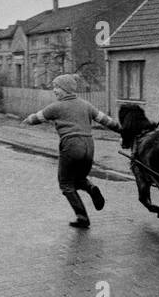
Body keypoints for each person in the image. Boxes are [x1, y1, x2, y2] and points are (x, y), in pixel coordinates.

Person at [23, 74, 120, 229]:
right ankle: (92, 188)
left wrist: (28, 119)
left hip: (71, 145)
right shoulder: (86, 105)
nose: (55, 91)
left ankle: (82, 218)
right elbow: (105, 120)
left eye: (57, 87)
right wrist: (122, 131)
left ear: (66, 89)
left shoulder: (56, 107)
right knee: (79, 179)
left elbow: (36, 118)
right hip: (89, 146)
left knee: (66, 183)